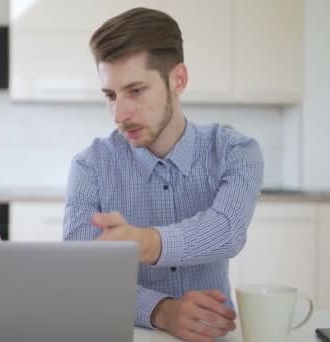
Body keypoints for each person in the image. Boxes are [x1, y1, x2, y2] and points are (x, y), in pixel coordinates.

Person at [63, 7, 263, 342]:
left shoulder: (235, 151)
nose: (120, 113)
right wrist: (160, 310)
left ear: (178, 80)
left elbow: (227, 231)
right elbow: (85, 279)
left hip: (213, 335)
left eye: (136, 90)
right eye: (110, 95)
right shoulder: (90, 166)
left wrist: (147, 242)